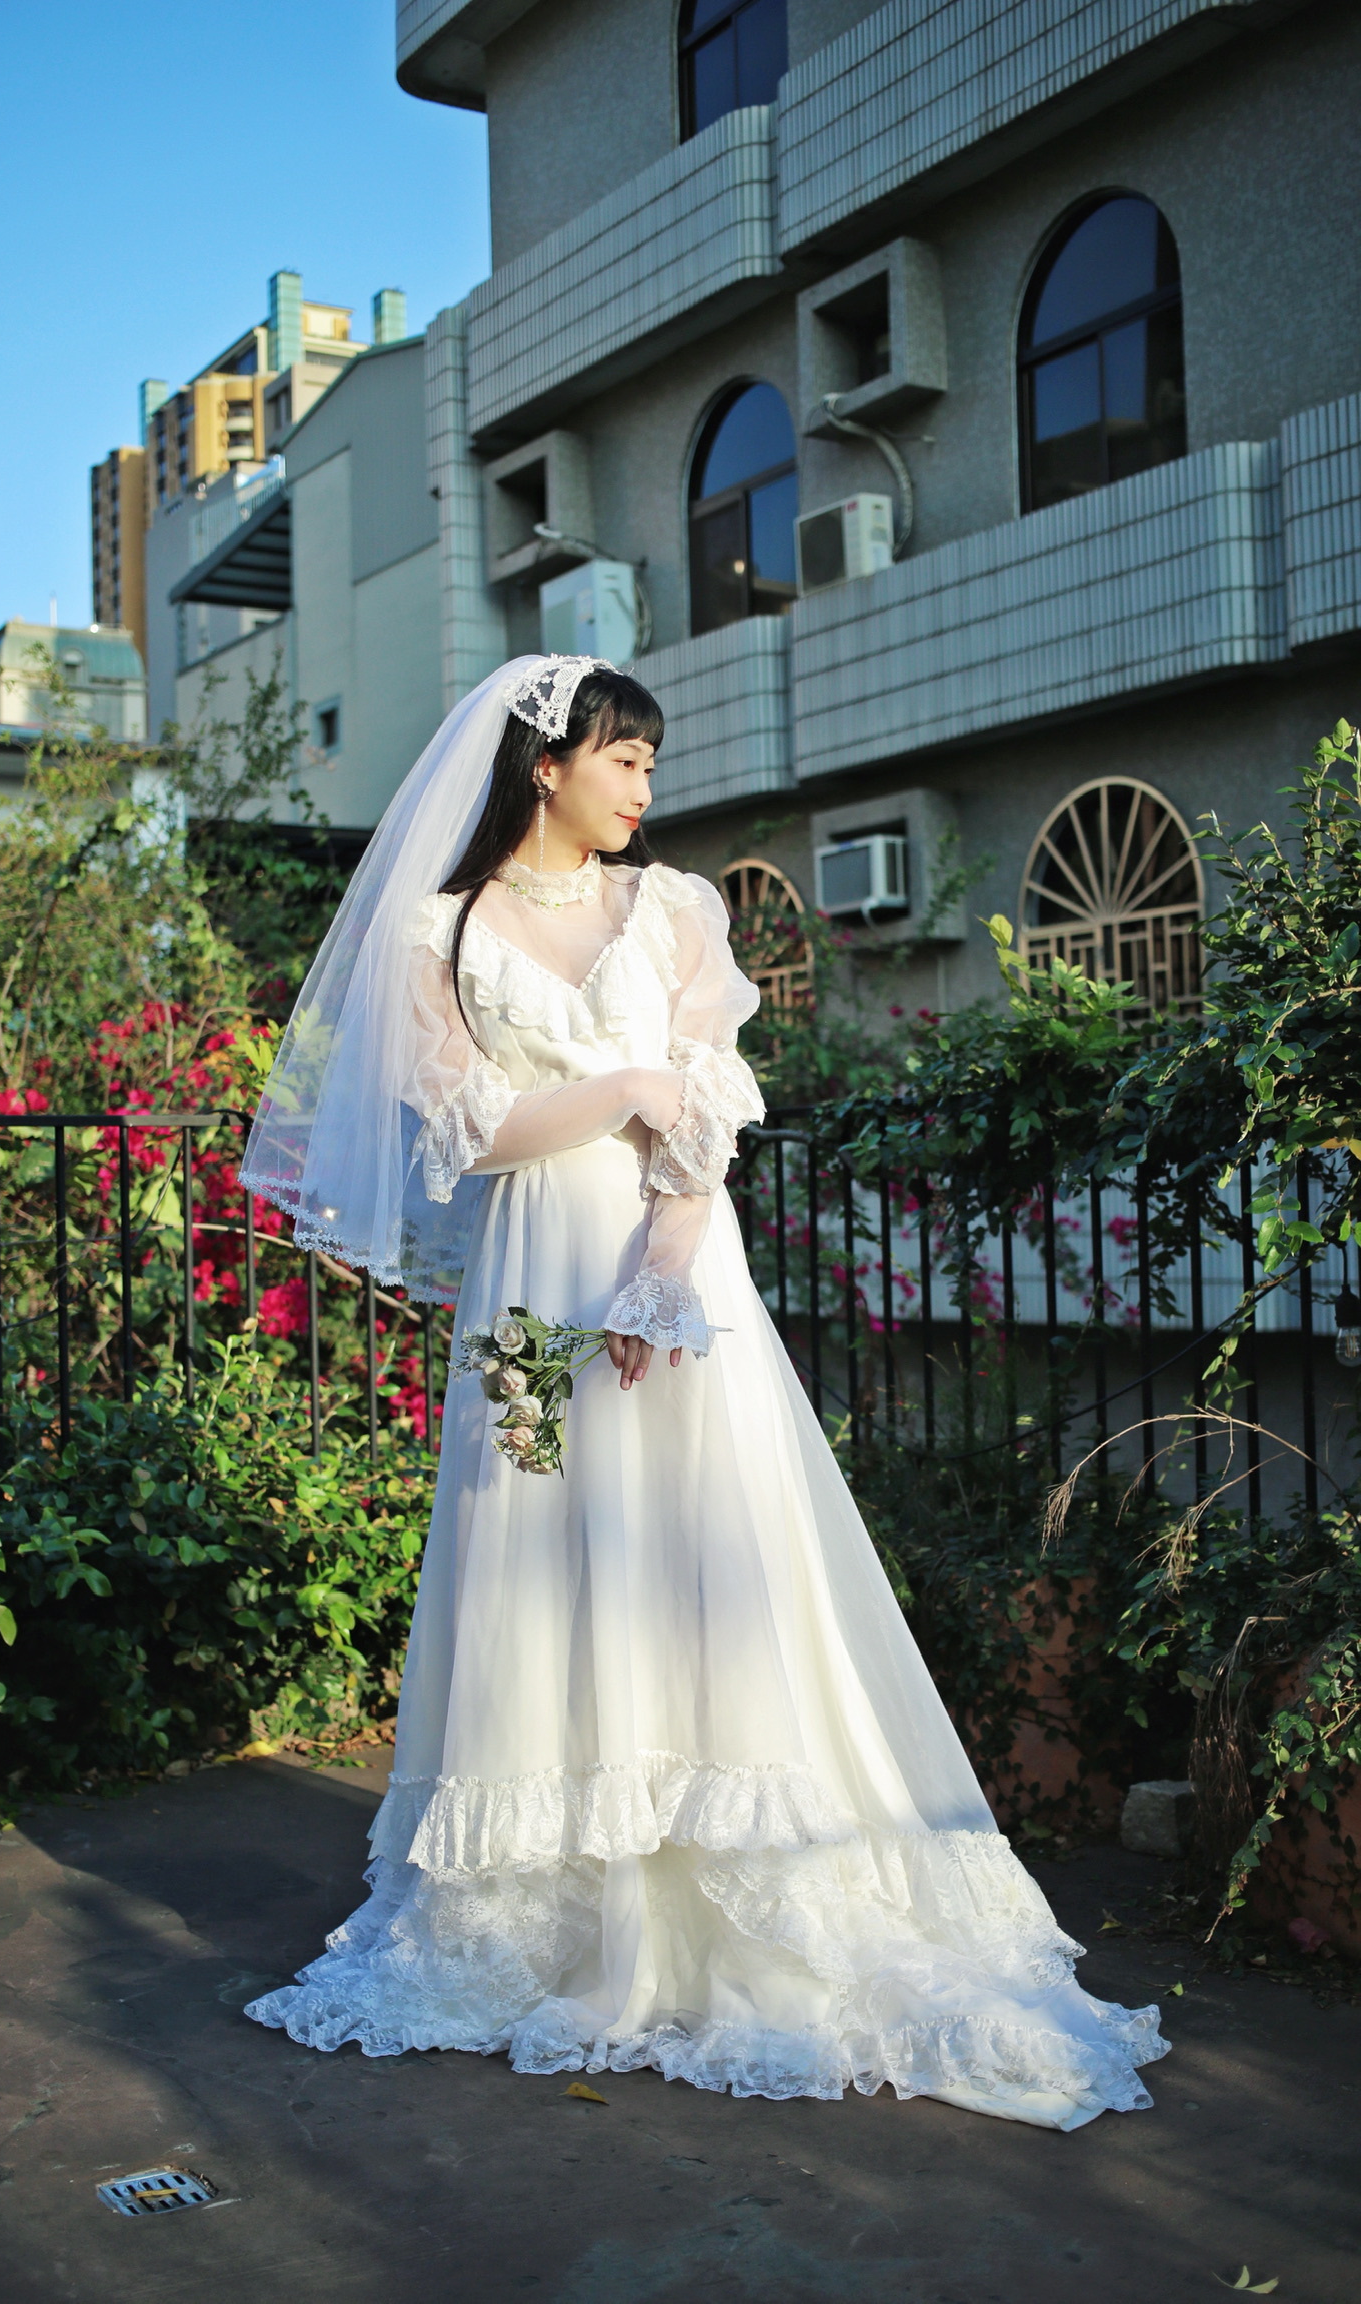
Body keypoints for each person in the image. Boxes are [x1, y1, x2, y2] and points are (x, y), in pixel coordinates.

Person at [239, 654, 1168, 2127]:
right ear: (546, 764)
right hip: (530, 1283)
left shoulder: (673, 908)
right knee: (536, 1548)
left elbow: (713, 1105)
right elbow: (467, 1135)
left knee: (709, 1550)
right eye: (625, 761)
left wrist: (664, 1277)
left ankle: (741, 1894)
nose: (644, 788)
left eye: (650, 768)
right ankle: (550, 1923)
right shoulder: (438, 931)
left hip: (672, 1269)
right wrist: (615, 1093)